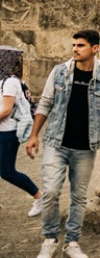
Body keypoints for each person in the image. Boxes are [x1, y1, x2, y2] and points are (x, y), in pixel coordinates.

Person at [25, 30, 100, 258]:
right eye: (73, 45)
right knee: (50, 192)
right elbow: (46, 103)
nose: (75, 49)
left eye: (80, 45)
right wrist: (33, 135)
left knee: (79, 198)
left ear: (94, 48)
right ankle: (49, 240)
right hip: (56, 142)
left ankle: (72, 242)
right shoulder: (59, 72)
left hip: (85, 146)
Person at [0, 46, 43, 217]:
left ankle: (40, 197)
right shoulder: (5, 80)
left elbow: (6, 110)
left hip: (7, 132)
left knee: (7, 172)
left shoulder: (10, 82)